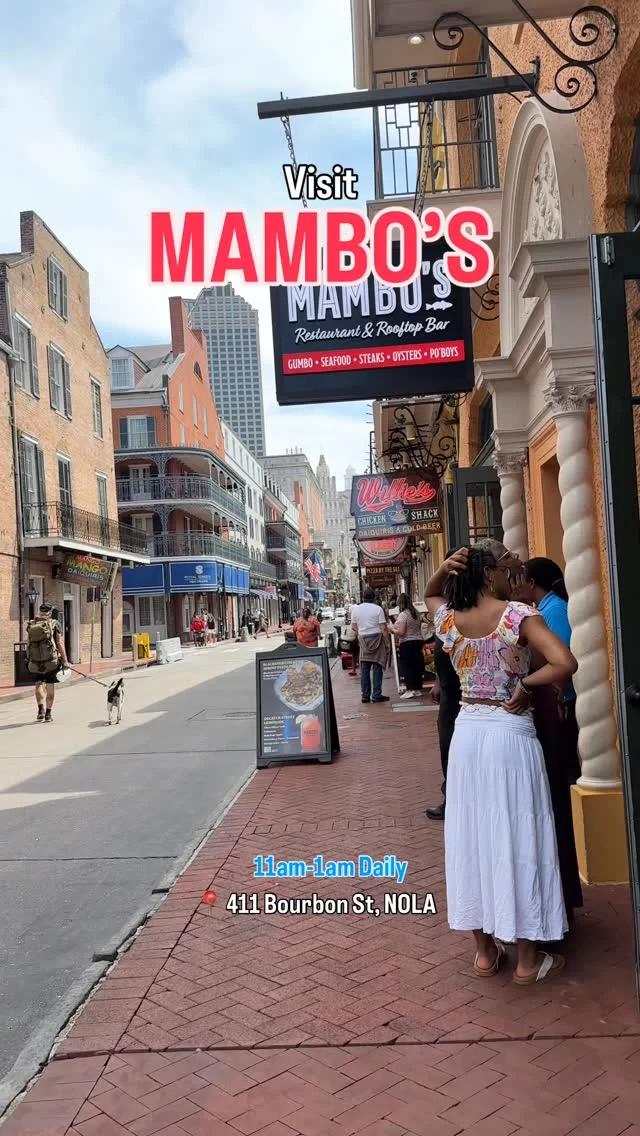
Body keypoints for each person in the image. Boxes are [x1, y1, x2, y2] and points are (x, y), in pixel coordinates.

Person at [425, 546, 577, 985]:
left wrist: (443, 569)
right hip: (510, 733)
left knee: (471, 837)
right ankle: (527, 960)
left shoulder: (449, 620)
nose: (511, 576)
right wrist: (526, 684)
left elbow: (431, 594)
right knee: (520, 835)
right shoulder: (518, 616)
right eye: (503, 570)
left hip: (468, 736)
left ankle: (485, 953)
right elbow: (565, 662)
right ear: (488, 573)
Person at [518, 557, 584, 923]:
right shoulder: (533, 612)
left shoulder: (551, 611)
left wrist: (546, 692)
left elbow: (560, 662)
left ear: (532, 583)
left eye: (520, 576)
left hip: (555, 711)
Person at [426, 548, 463, 820]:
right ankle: (451, 797)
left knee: (455, 751)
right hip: (450, 694)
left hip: (467, 698)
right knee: (447, 748)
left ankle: (458, 800)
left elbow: (429, 593)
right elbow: (445, 650)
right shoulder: (446, 614)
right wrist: (438, 681)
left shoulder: (453, 614)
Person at [26, 602, 69, 722]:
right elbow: (59, 643)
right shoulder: (54, 624)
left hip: (35, 660)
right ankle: (48, 714)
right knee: (50, 686)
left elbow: (28, 643)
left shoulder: (31, 624)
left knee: (38, 684)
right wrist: (65, 661)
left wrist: (29, 658)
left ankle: (40, 710)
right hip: (51, 661)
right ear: (50, 613)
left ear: (40, 611)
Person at [351, 588, 390, 704]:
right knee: (377, 666)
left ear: (363, 597)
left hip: (363, 640)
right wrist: (387, 643)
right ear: (374, 598)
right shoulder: (378, 609)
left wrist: (361, 633)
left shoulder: (356, 610)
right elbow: (383, 628)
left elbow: (353, 627)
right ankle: (376, 695)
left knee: (365, 669)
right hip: (377, 638)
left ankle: (365, 695)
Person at [391, 594, 425, 700]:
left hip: (407, 642)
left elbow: (401, 632)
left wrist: (392, 630)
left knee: (407, 666)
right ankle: (417, 688)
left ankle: (410, 689)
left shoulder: (403, 615)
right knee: (416, 665)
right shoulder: (416, 613)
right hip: (418, 641)